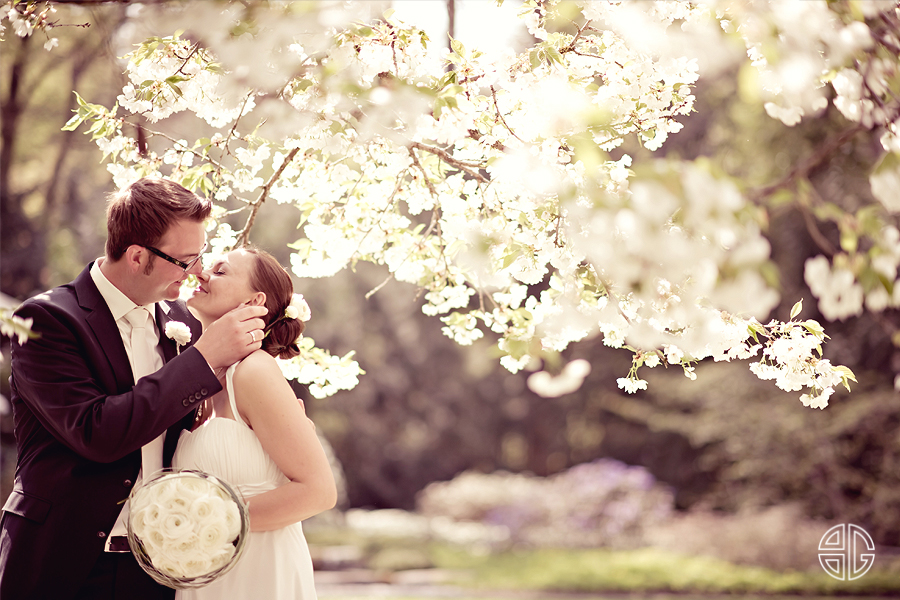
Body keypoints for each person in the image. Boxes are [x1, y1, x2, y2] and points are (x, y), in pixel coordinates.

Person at [0, 178, 268, 600]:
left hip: (157, 569)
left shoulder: (184, 321)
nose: (196, 271)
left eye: (199, 256)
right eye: (185, 259)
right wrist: (201, 359)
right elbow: (97, 433)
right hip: (59, 563)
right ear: (138, 257)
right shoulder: (46, 321)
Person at [172, 246, 337, 600]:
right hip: (207, 573)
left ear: (254, 301)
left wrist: (211, 523)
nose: (199, 273)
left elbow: (319, 491)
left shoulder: (254, 371)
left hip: (260, 571)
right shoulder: (202, 379)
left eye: (220, 271)